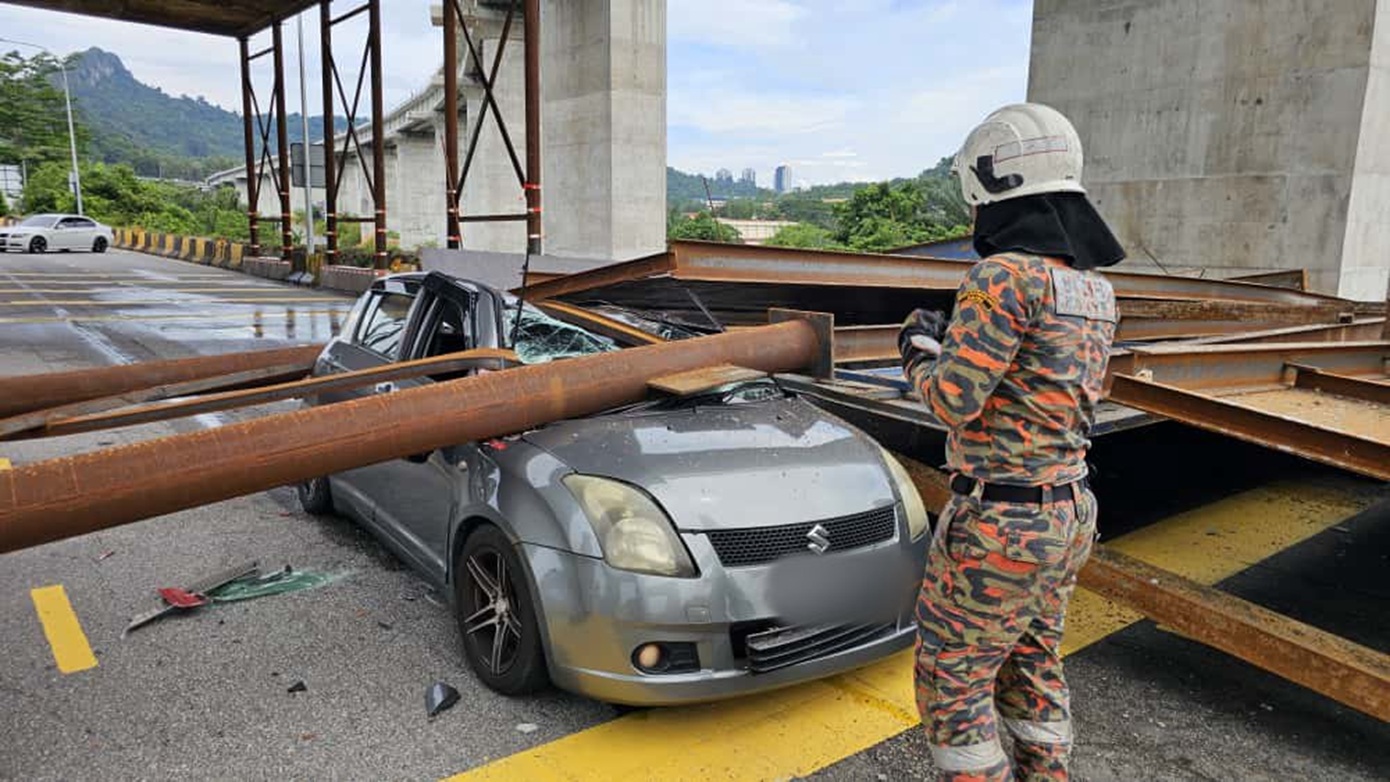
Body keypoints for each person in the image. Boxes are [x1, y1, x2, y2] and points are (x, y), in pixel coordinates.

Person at [899, 103, 1125, 781]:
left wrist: (916, 349)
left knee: (953, 677)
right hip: (1067, 513)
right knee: (1033, 662)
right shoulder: (1094, 290)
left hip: (1002, 522)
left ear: (993, 184)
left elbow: (953, 399)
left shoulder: (1001, 278)